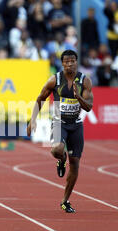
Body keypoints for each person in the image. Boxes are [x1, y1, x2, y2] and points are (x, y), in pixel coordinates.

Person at [27, 50, 94, 213]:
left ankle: (65, 200)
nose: (69, 64)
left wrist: (79, 98)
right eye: (66, 62)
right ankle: (61, 159)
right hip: (59, 122)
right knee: (56, 150)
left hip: (76, 125)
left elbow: (89, 107)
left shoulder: (85, 81)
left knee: (76, 164)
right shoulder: (54, 80)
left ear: (76, 62)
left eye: (72, 61)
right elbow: (40, 98)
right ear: (62, 63)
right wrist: (33, 119)